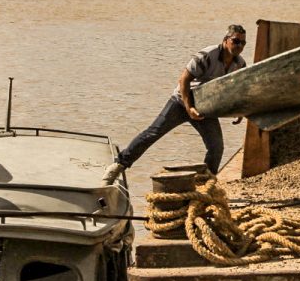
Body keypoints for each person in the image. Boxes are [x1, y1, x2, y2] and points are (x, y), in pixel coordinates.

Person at [104, 25, 248, 183]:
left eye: (243, 43)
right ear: (225, 40)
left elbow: (237, 88)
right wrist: (189, 107)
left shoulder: (239, 64)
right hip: (180, 102)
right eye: (235, 41)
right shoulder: (208, 55)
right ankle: (118, 165)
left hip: (204, 108)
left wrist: (240, 110)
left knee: (216, 148)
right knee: (152, 133)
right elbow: (184, 79)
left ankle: (205, 183)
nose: (239, 46)